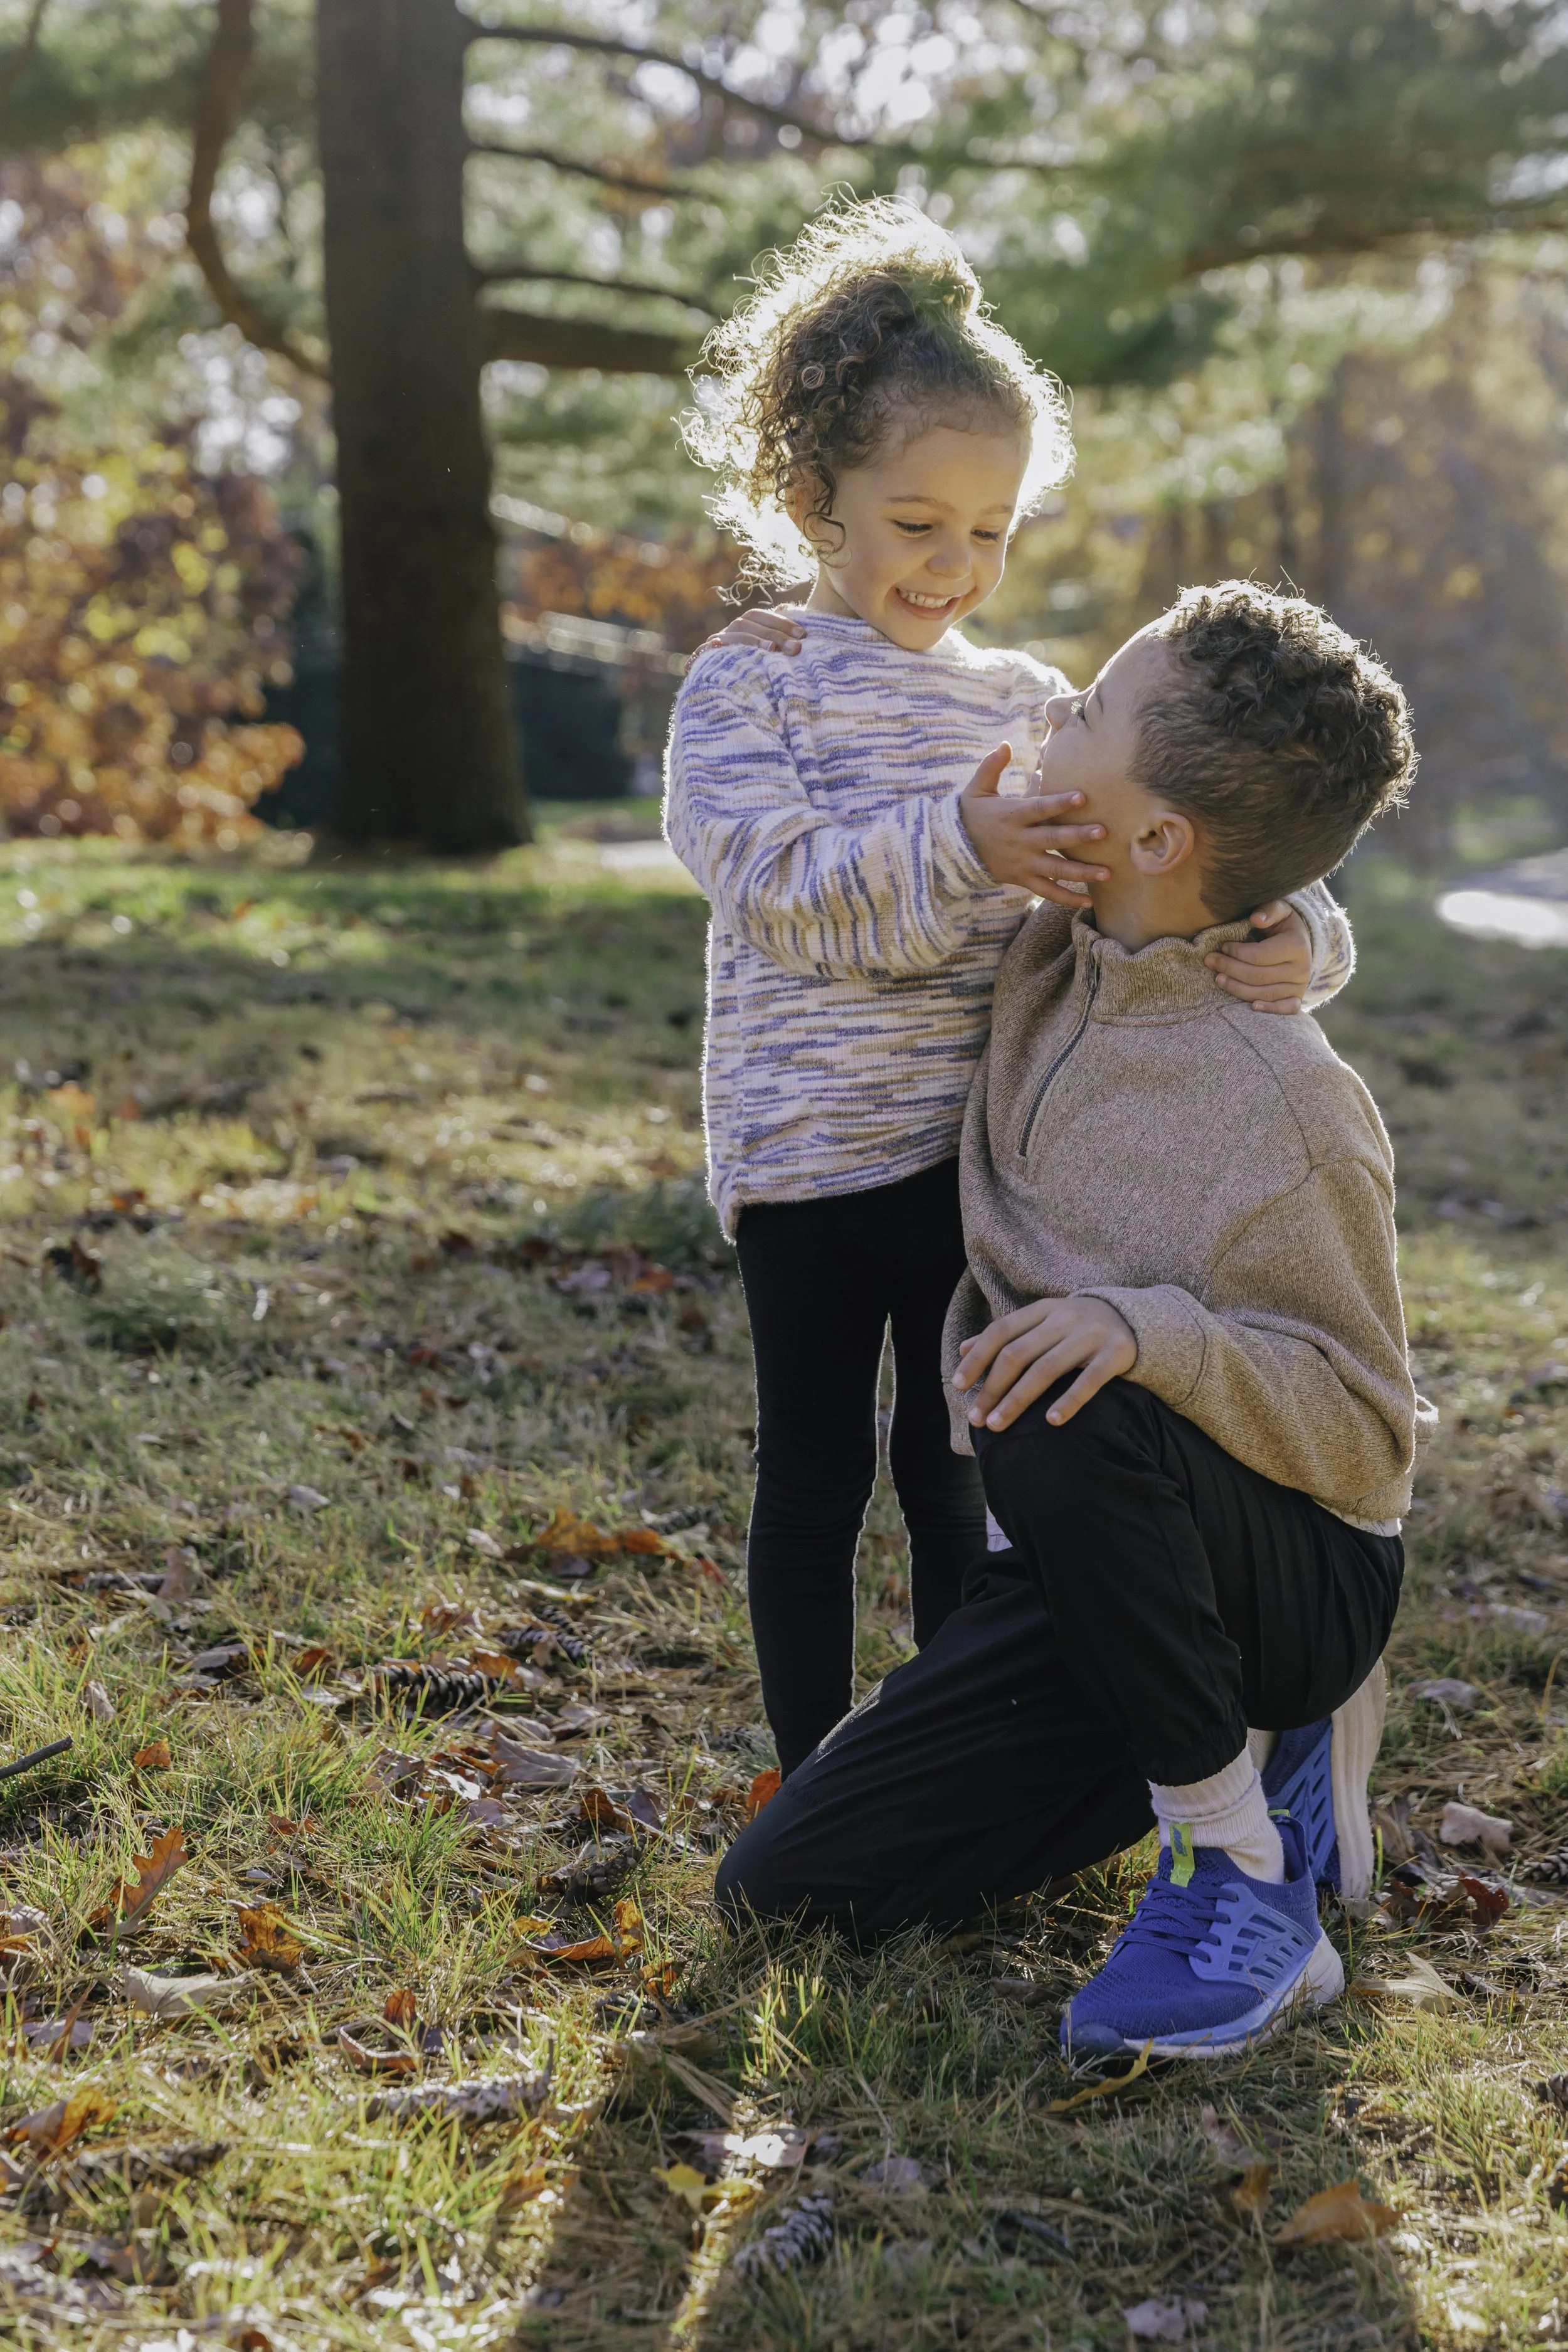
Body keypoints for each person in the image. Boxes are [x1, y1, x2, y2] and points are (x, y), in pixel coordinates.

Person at [665, 197, 1354, 1778]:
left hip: (990, 1163)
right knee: (815, 1468)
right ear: (810, 499)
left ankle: (940, 1752)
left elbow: (1187, 839)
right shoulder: (751, 680)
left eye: (990, 533)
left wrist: (1299, 936)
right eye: (918, 525)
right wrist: (963, 842)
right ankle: (811, 1768)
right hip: (807, 1165)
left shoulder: (1033, 703)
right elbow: (775, 888)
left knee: (955, 1462)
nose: (955, 568)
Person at [715, 581, 1436, 2062]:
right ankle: (1200, 1730)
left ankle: (1236, 1858)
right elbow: (845, 865)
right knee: (785, 1893)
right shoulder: (1041, 949)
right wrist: (803, 634)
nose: (1050, 718)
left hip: (1289, 1571)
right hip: (1082, 1557)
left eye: (1090, 712)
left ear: (1157, 838)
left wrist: (1147, 1332)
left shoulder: (1291, 1105)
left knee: (1061, 1385)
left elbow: (1366, 1441)